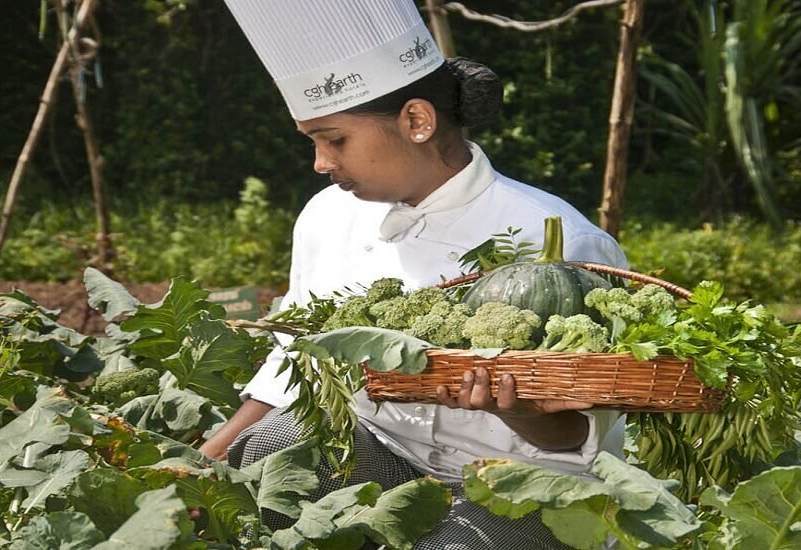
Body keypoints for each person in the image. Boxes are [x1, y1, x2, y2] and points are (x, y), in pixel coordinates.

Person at [202, 1, 628, 547]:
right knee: (269, 447)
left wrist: (523, 411)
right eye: (312, 142)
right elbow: (293, 359)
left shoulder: (559, 240)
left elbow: (584, 435)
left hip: (526, 483)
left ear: (417, 121)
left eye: (335, 140)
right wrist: (207, 461)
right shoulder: (326, 215)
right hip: (385, 453)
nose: (320, 164)